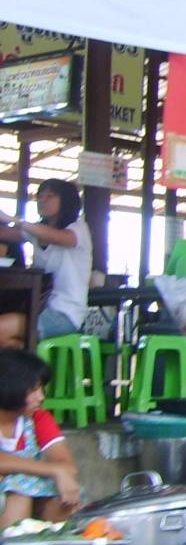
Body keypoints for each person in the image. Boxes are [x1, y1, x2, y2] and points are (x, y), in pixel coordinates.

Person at [0, 180, 92, 349]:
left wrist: (16, 220)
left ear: (66, 200)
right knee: (8, 344)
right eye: (40, 196)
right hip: (37, 307)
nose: (43, 200)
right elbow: (5, 233)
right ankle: (31, 371)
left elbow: (56, 237)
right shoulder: (35, 232)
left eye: (50, 196)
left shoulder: (78, 228)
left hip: (65, 313)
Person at [0, 349, 80, 526]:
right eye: (33, 390)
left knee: (68, 499)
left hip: (32, 497)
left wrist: (60, 473)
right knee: (19, 490)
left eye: (41, 389)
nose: (41, 397)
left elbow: (68, 467)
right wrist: (54, 470)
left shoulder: (38, 419)